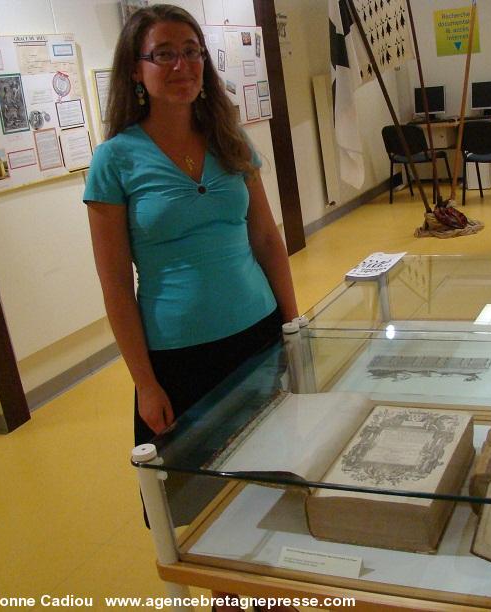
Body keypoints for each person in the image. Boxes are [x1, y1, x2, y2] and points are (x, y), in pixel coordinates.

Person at [83, 4, 298, 448]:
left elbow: (265, 238)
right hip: (179, 354)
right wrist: (144, 383)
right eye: (163, 54)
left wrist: (294, 325)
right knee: (198, 492)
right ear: (135, 72)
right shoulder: (115, 160)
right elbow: (116, 284)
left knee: (276, 461)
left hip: (259, 331)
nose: (182, 65)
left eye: (192, 51)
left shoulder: (230, 139)